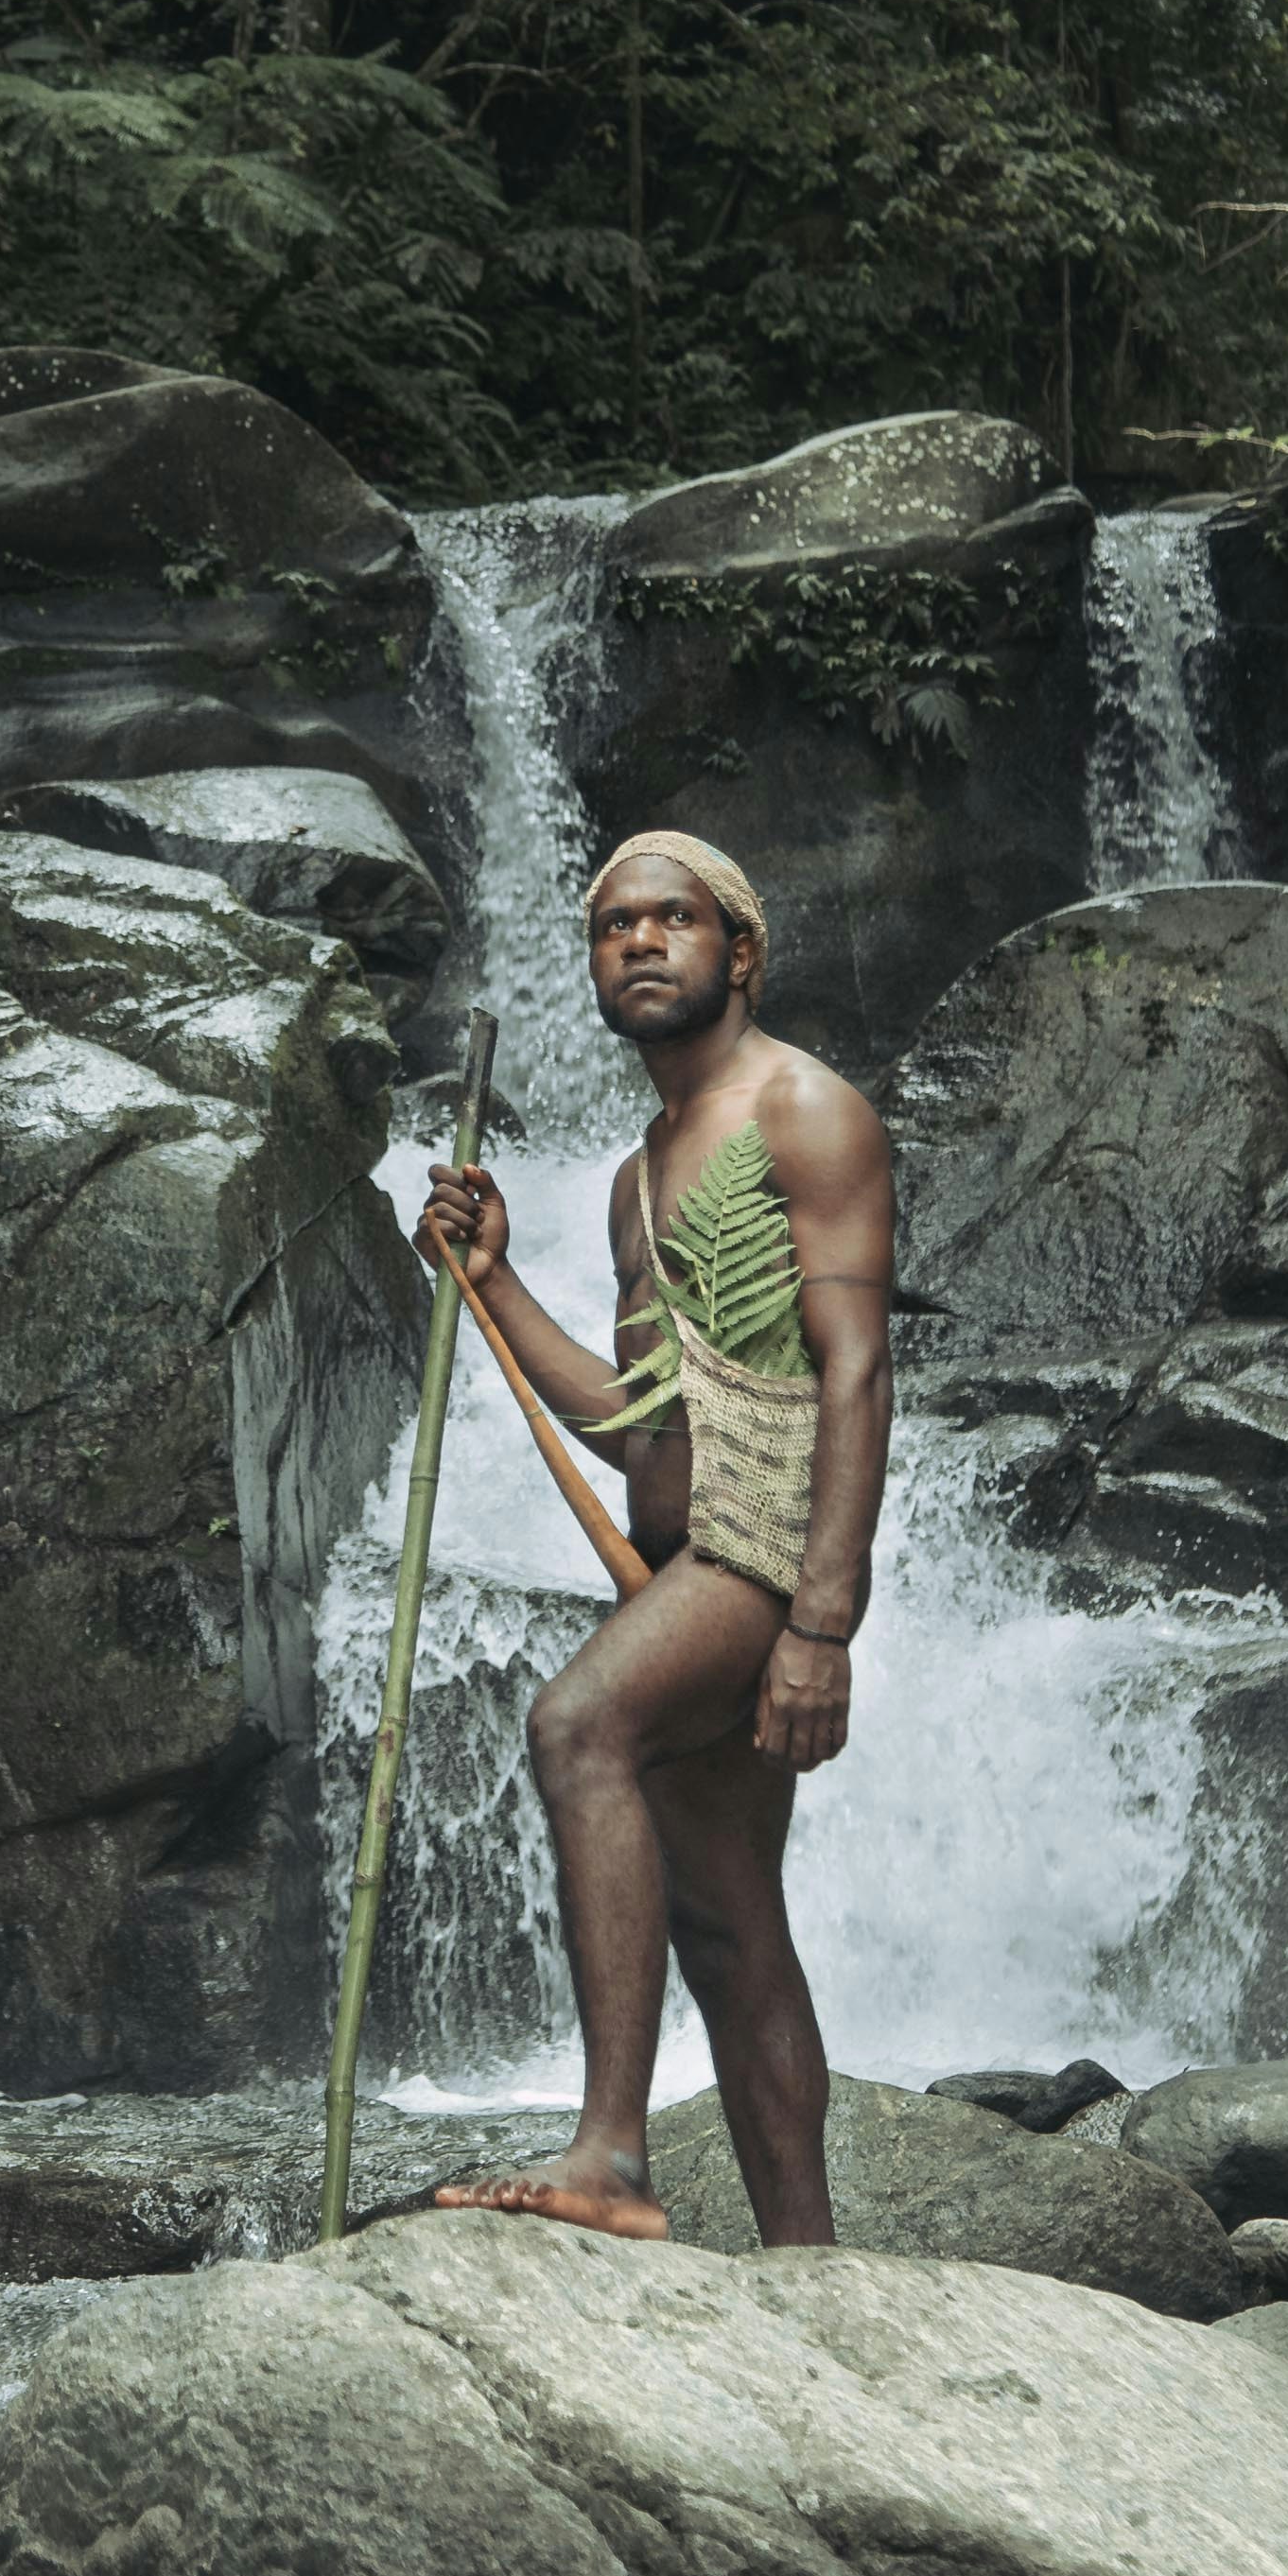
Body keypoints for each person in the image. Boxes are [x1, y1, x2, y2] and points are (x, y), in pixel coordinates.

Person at [409, 829, 891, 2245]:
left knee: (578, 1728)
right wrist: (492, 1285)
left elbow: (857, 1373)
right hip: (676, 1563)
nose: (638, 942)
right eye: (614, 925)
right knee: (731, 1932)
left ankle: (609, 2155)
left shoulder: (807, 1113)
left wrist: (821, 1623)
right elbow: (634, 1419)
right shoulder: (634, 1177)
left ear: (736, 950)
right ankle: (809, 2261)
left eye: (672, 919)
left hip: (763, 1557)